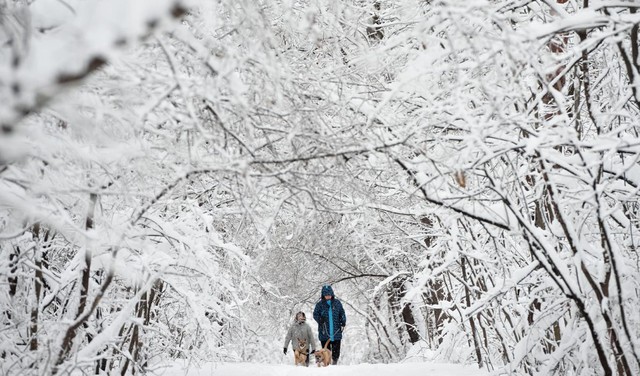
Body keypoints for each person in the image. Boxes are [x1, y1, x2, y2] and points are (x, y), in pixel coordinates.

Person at [313, 285, 346, 365]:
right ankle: (326, 366)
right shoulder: (319, 305)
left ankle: (334, 364)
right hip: (324, 332)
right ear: (323, 295)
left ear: (332, 294)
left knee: (336, 352)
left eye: (329, 294)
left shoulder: (337, 303)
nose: (328, 296)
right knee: (325, 353)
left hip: (336, 332)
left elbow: (342, 313)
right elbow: (315, 314)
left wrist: (343, 321)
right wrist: (320, 319)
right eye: (326, 294)